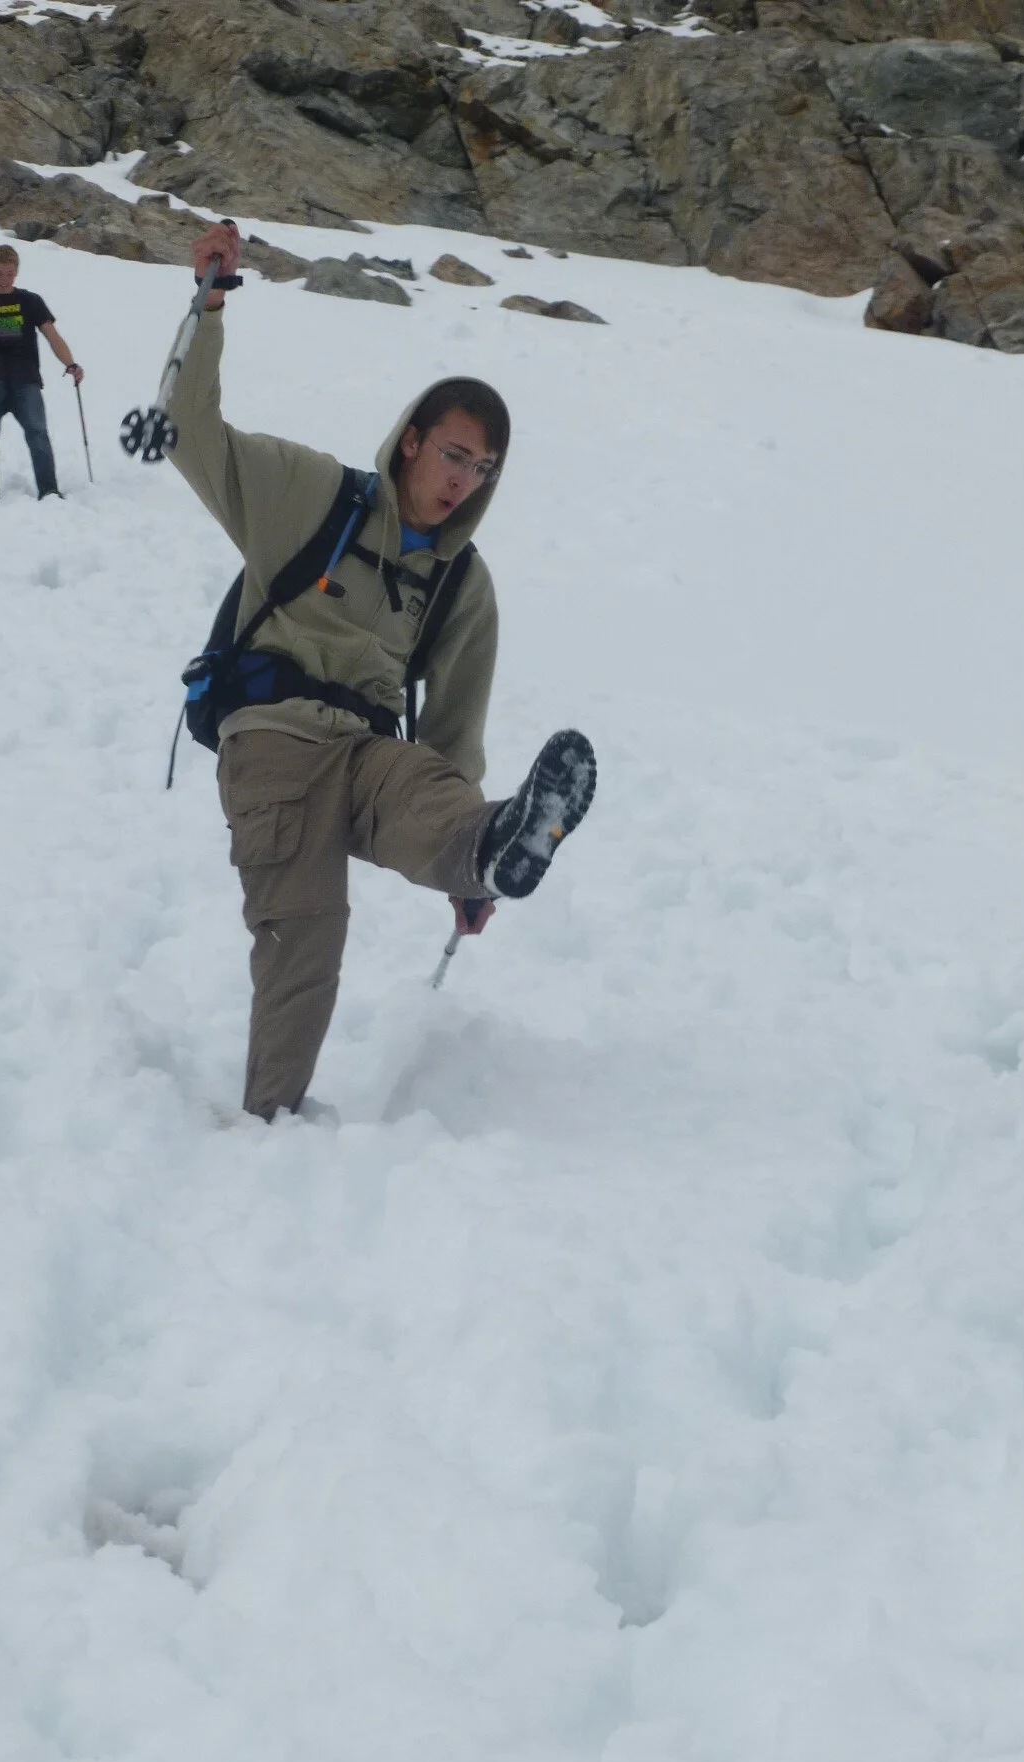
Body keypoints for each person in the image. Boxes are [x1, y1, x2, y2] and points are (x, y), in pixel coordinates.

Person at [168, 219, 596, 1123]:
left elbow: (450, 738)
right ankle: (268, 1126)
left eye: (483, 469)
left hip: (367, 758)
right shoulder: (310, 494)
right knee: (307, 944)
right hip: (273, 742)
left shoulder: (462, 586)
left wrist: (468, 868)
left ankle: (497, 845)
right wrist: (205, 308)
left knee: (430, 794)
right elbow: (187, 430)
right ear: (411, 441)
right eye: (453, 455)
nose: (464, 481)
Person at [0, 245, 83, 499]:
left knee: (38, 432)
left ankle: (49, 489)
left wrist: (70, 364)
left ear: (17, 272)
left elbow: (52, 336)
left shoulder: (31, 301)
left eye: (9, 273)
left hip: (26, 378)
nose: (4, 279)